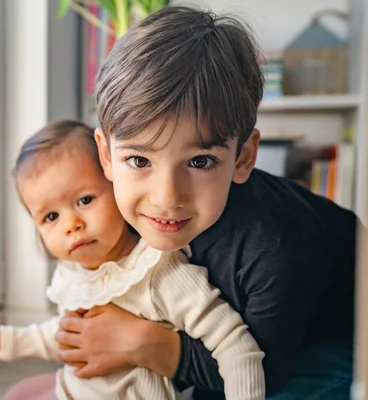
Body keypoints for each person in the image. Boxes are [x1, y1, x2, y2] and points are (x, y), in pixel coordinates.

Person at [55, 6, 359, 400]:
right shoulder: (113, 209)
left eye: (200, 161)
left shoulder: (273, 249)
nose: (166, 198)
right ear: (107, 156)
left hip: (337, 337)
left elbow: (263, 374)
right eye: (139, 160)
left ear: (244, 157)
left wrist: (144, 343)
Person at [0, 120, 266, 400]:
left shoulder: (157, 272)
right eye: (51, 216)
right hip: (75, 391)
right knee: (18, 394)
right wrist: (9, 341)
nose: (71, 224)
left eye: (85, 200)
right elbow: (67, 334)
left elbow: (235, 345)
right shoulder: (75, 271)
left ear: (117, 185)